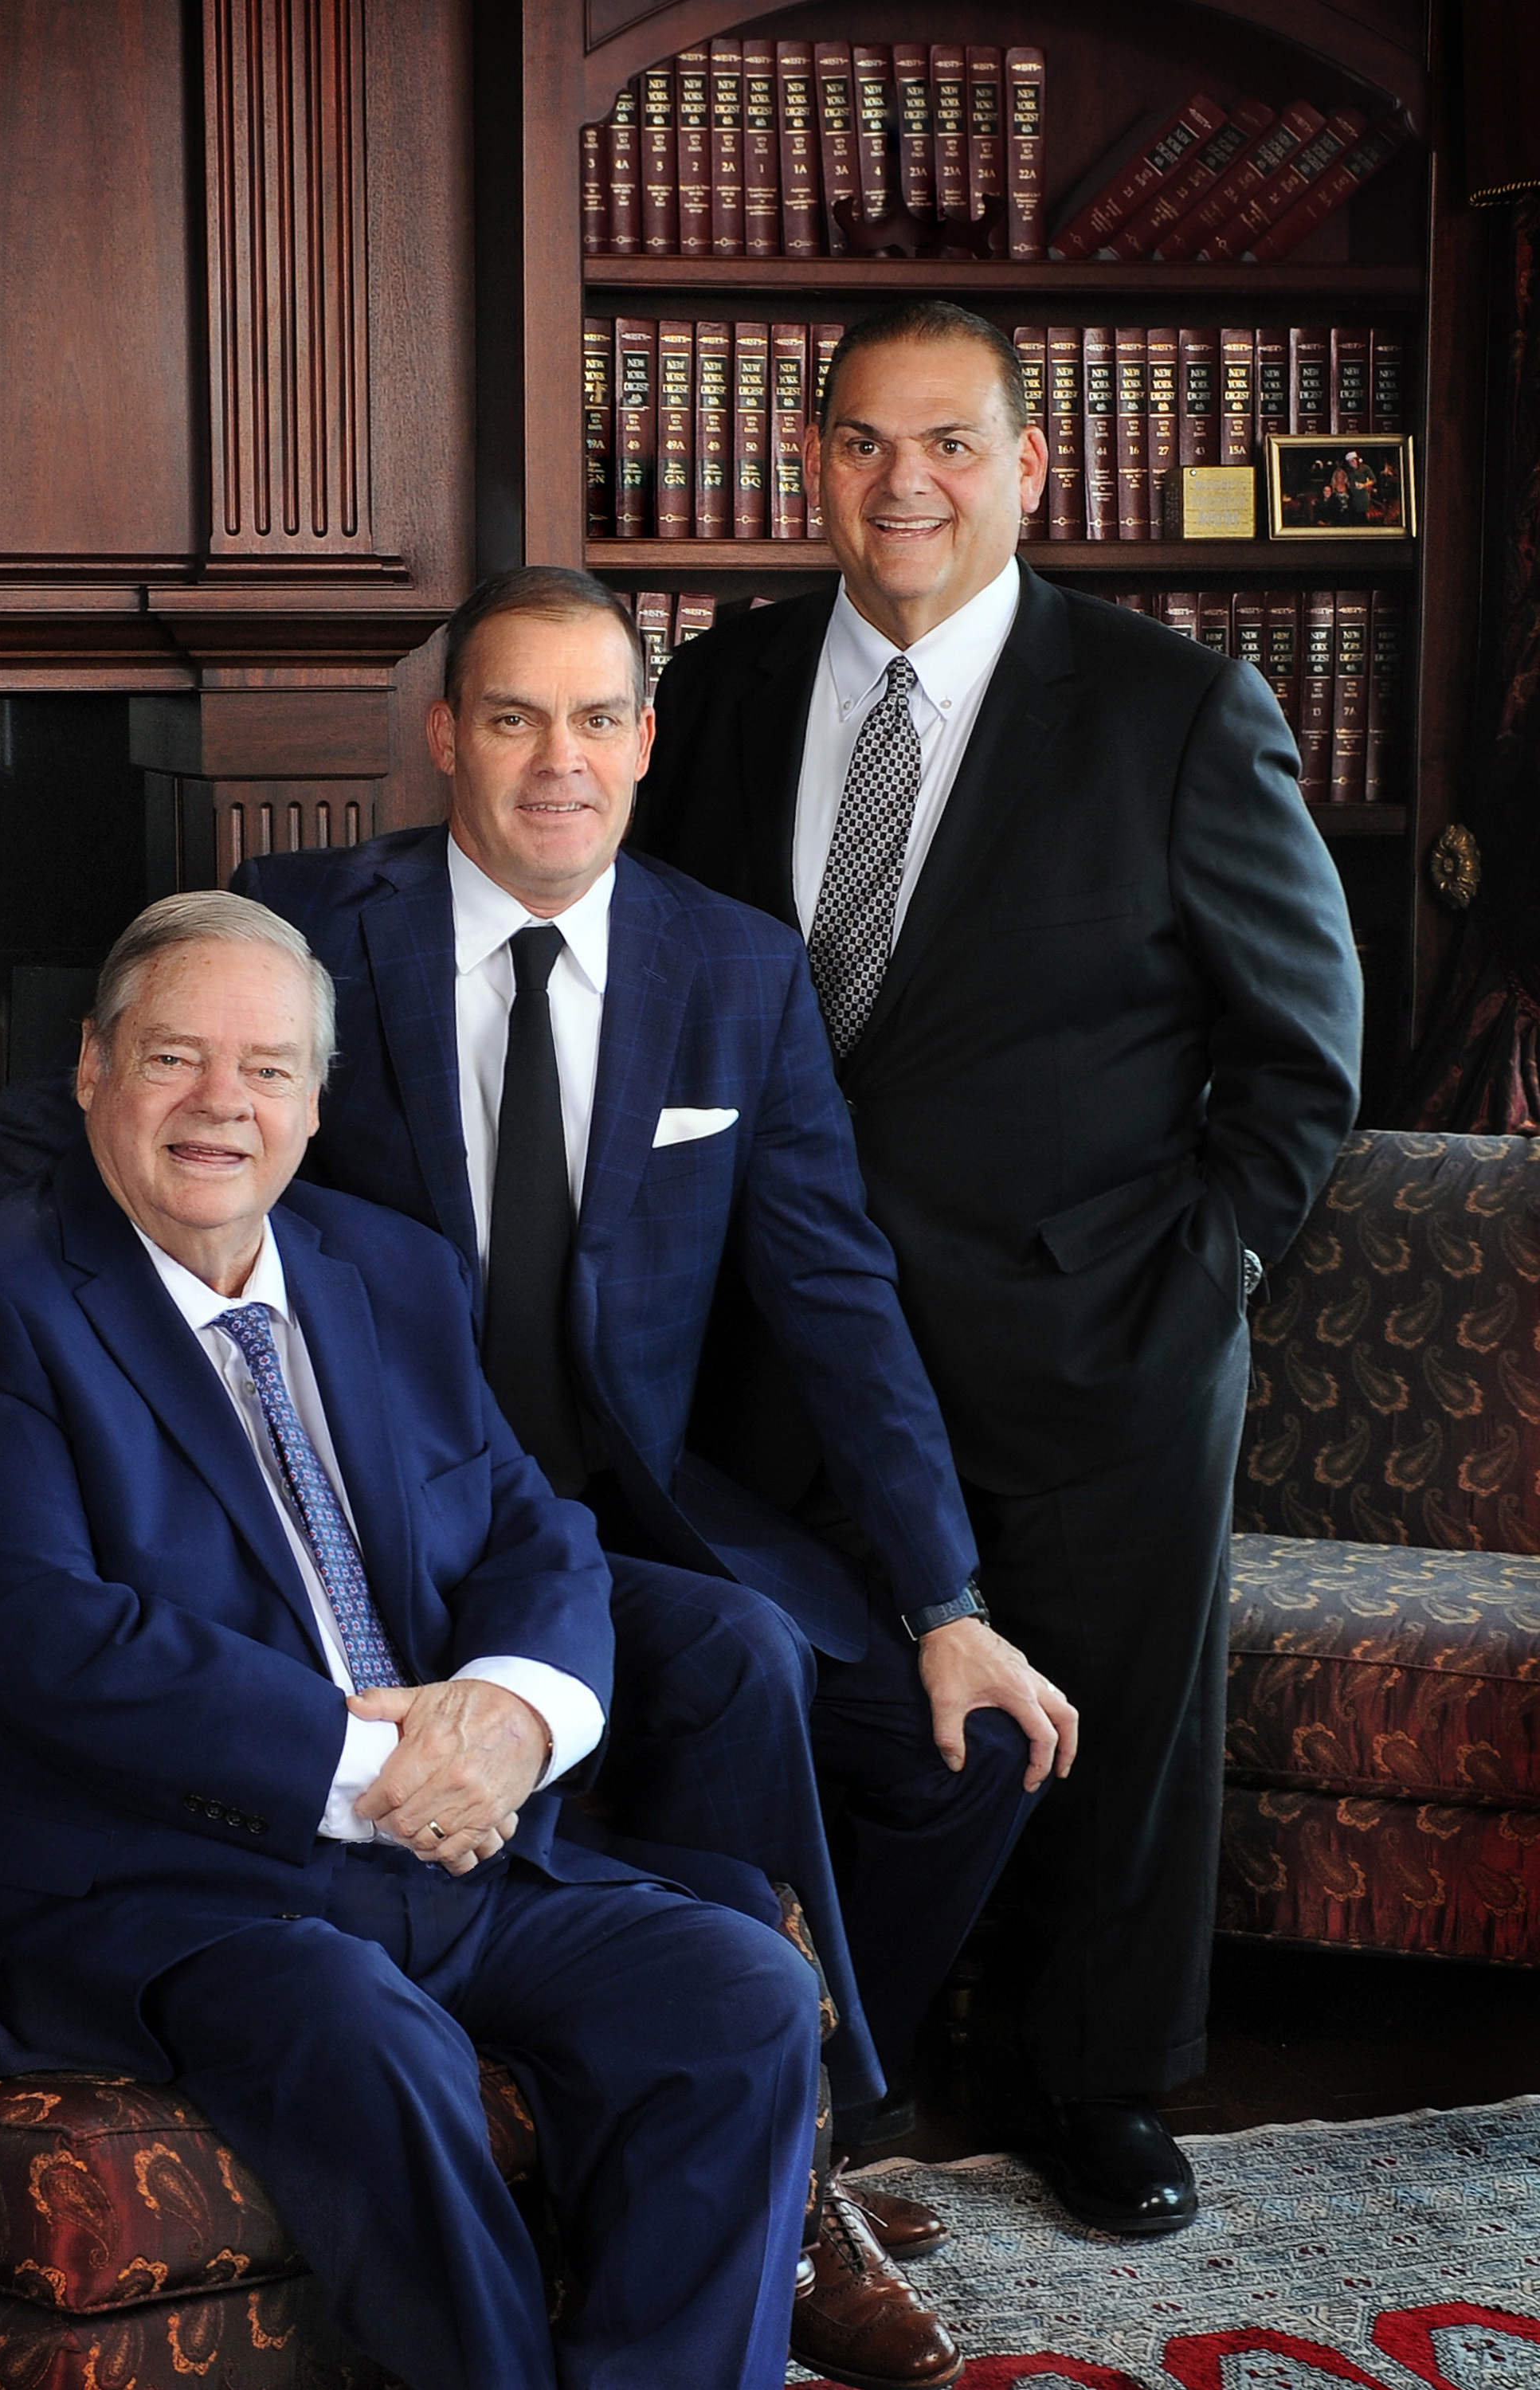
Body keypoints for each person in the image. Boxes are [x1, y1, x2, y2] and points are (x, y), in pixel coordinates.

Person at [0, 893, 825, 2390]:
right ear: (93, 1073)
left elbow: (529, 1526)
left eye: (266, 1069)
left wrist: (507, 1720)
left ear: (316, 1100)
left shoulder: (389, 1271)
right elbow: (54, 1644)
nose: (219, 1107)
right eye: (174, 1059)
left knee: (733, 1993)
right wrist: (390, 1772)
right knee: (372, 2042)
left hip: (453, 1851)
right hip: (171, 1890)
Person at [633, 298, 1363, 2237]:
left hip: (1095, 1332)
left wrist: (1191, 1289)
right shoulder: (714, 690)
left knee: (1107, 1722)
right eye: (868, 442)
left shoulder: (1171, 709)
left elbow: (1303, 1056)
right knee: (827, 1695)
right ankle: (836, 2064)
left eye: (953, 443)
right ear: (810, 462)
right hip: (777, 1335)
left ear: (1033, 467)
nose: (908, 484)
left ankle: (1095, 2083)